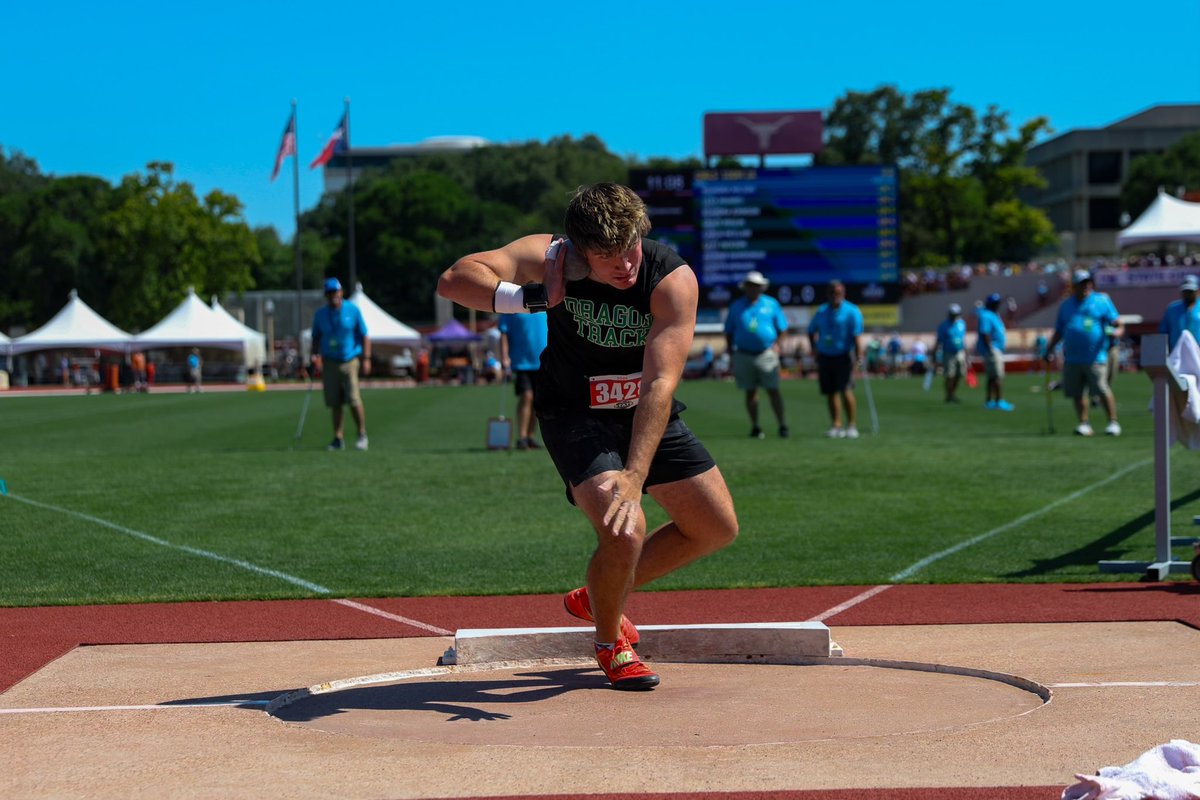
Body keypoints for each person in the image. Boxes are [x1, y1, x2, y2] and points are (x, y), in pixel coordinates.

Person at [437, 182, 738, 691]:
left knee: (715, 526)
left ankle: (597, 592)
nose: (625, 266)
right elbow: (454, 280)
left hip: (642, 409)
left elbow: (660, 383)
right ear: (578, 250)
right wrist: (536, 297)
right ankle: (608, 642)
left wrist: (636, 472)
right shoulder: (551, 257)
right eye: (606, 257)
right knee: (625, 529)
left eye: (631, 249)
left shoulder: (671, 280)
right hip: (573, 412)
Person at [1045, 269, 1122, 437]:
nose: (1085, 286)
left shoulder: (1101, 300)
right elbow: (1059, 330)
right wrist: (1049, 349)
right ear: (1074, 286)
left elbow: (1117, 323)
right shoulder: (1066, 305)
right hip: (1072, 357)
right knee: (1077, 392)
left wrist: (1117, 333)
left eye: (1088, 283)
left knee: (1102, 389)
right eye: (1081, 283)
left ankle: (1113, 422)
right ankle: (1084, 423)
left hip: (1096, 356)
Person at [723, 270, 789, 438]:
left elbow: (782, 328)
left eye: (756, 286)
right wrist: (731, 350)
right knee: (750, 391)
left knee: (773, 389)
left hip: (766, 352)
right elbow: (729, 330)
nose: (753, 289)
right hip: (744, 353)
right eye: (750, 285)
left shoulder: (771, 304)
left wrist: (777, 346)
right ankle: (755, 426)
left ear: (761, 288)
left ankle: (782, 425)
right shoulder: (737, 306)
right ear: (745, 288)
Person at [311, 277, 371, 451]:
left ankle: (361, 434)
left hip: (349, 360)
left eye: (335, 292)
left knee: (353, 399)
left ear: (341, 292)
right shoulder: (320, 314)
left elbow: (365, 335)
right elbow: (316, 337)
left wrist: (366, 358)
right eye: (329, 293)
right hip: (329, 361)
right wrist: (315, 356)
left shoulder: (353, 310)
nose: (333, 296)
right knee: (335, 402)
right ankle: (338, 437)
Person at [807, 280, 863, 438]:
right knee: (830, 392)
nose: (834, 295)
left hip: (844, 355)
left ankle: (851, 425)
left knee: (846, 390)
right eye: (832, 292)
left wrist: (859, 355)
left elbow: (857, 335)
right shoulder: (822, 311)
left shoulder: (852, 311)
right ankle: (836, 424)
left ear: (843, 293)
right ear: (827, 294)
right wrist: (814, 348)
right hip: (825, 355)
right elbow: (811, 330)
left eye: (837, 292)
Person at [498, 310, 549, 449]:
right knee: (527, 396)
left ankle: (530, 436)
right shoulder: (511, 307)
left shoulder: (545, 305)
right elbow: (503, 333)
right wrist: (504, 357)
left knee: (538, 401)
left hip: (543, 362)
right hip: (521, 362)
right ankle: (522, 437)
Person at [976, 293, 1014, 411]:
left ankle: (989, 400)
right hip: (993, 349)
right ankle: (999, 400)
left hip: (995, 348)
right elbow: (985, 332)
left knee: (992, 377)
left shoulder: (993, 315)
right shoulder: (986, 315)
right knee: (997, 376)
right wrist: (990, 348)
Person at [933, 303, 968, 404]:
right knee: (950, 375)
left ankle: (952, 394)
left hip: (960, 352)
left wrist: (966, 354)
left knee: (959, 374)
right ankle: (949, 395)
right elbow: (938, 340)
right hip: (948, 353)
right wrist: (934, 354)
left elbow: (963, 340)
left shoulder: (962, 324)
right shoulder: (943, 325)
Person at [1158, 275, 1200, 351]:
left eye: (1190, 292)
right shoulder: (1172, 309)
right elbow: (1163, 331)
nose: (1187, 294)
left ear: (1197, 291)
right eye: (1185, 292)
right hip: (1177, 353)